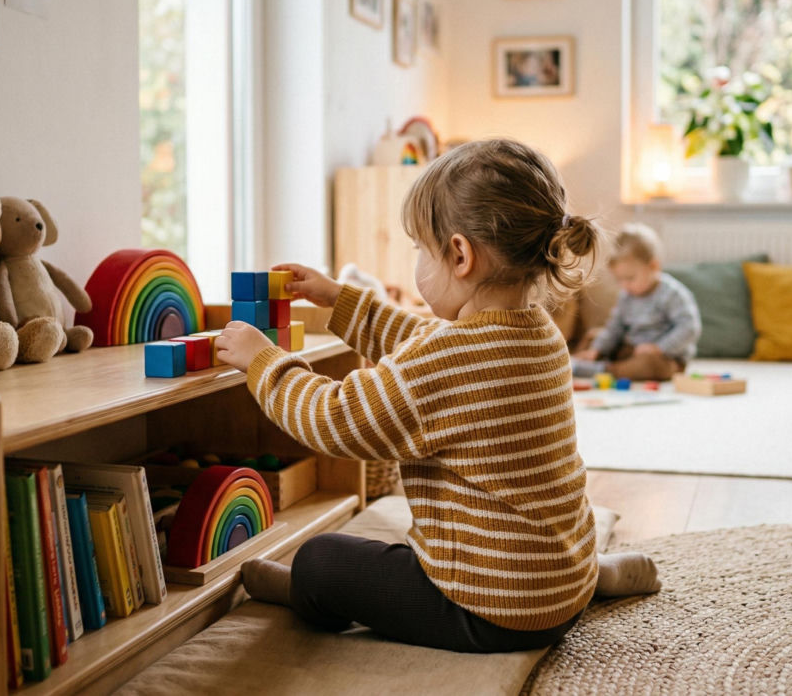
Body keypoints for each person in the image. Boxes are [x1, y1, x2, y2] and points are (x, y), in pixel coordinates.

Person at [215, 138, 661, 654]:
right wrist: (339, 300)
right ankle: (589, 577)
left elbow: (335, 418)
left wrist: (263, 362)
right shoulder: (538, 333)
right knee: (537, 551)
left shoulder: (451, 358)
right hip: (561, 581)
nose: (418, 261)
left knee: (321, 560)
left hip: (487, 612)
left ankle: (305, 591)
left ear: (459, 255)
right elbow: (425, 346)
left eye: (419, 250)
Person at [571, 223, 700, 381]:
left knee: (648, 365)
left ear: (653, 266)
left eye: (630, 278)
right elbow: (615, 328)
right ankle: (582, 362)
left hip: (665, 358)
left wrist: (659, 348)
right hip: (632, 349)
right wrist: (597, 350)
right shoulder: (626, 296)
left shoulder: (672, 294)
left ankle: (605, 370)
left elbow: (689, 328)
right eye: (619, 280)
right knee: (595, 336)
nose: (624, 285)